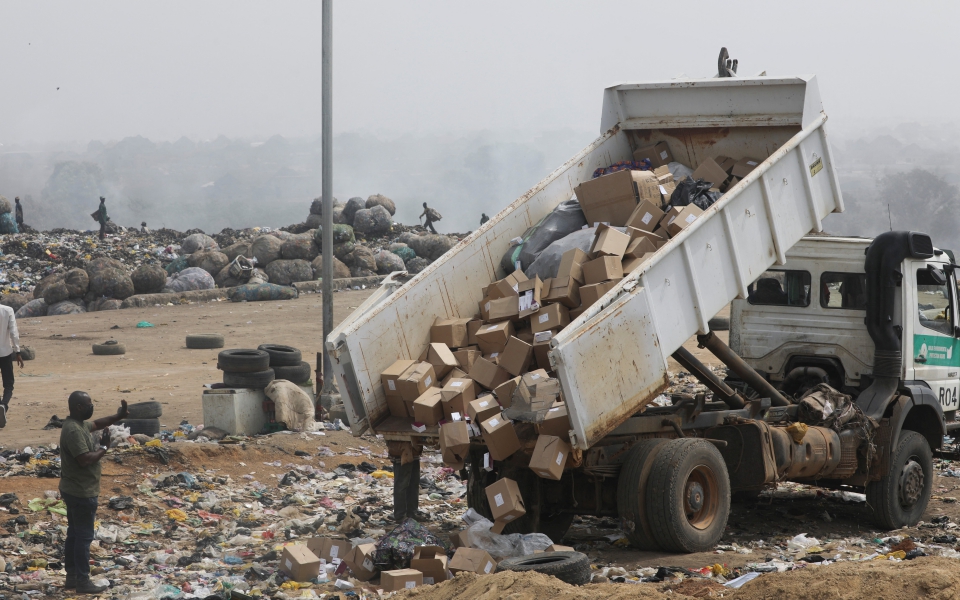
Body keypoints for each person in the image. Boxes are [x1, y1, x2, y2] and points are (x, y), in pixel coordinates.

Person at [59, 392, 128, 594]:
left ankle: (72, 577)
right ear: (79, 407)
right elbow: (85, 459)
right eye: (89, 404)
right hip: (81, 491)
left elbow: (97, 423)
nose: (92, 407)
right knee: (83, 537)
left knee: (74, 534)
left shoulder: (77, 424)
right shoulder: (74, 430)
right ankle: (82, 581)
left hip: (74, 488)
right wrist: (104, 447)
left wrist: (118, 416)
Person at [387, 440, 422, 522]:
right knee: (401, 484)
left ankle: (412, 513)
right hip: (401, 450)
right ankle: (400, 515)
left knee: (414, 484)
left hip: (413, 451)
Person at [0, 303, 23, 428]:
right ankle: (3, 405)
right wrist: (18, 351)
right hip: (5, 353)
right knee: (8, 385)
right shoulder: (8, 310)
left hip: (5, 353)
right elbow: (14, 332)